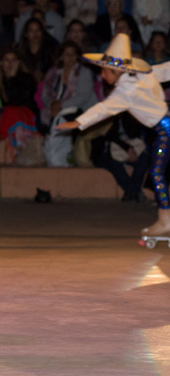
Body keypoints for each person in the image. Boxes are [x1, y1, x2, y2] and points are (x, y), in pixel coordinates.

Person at [56, 35, 170, 238]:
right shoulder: (141, 75)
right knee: (157, 172)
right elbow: (165, 70)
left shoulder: (125, 91)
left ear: (116, 71)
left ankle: (165, 220)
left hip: (166, 130)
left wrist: (79, 122)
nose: (101, 75)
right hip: (165, 129)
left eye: (104, 70)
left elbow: (103, 109)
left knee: (157, 173)